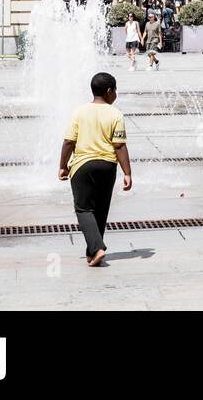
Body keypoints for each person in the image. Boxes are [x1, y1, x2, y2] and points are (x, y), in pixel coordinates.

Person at [58, 72, 132, 267]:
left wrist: (62, 166)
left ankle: (97, 248)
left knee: (83, 209)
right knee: (100, 210)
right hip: (108, 166)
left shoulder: (79, 112)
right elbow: (119, 146)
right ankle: (92, 252)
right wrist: (127, 173)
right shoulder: (115, 114)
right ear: (109, 91)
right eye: (115, 90)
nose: (116, 94)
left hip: (83, 166)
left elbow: (68, 142)